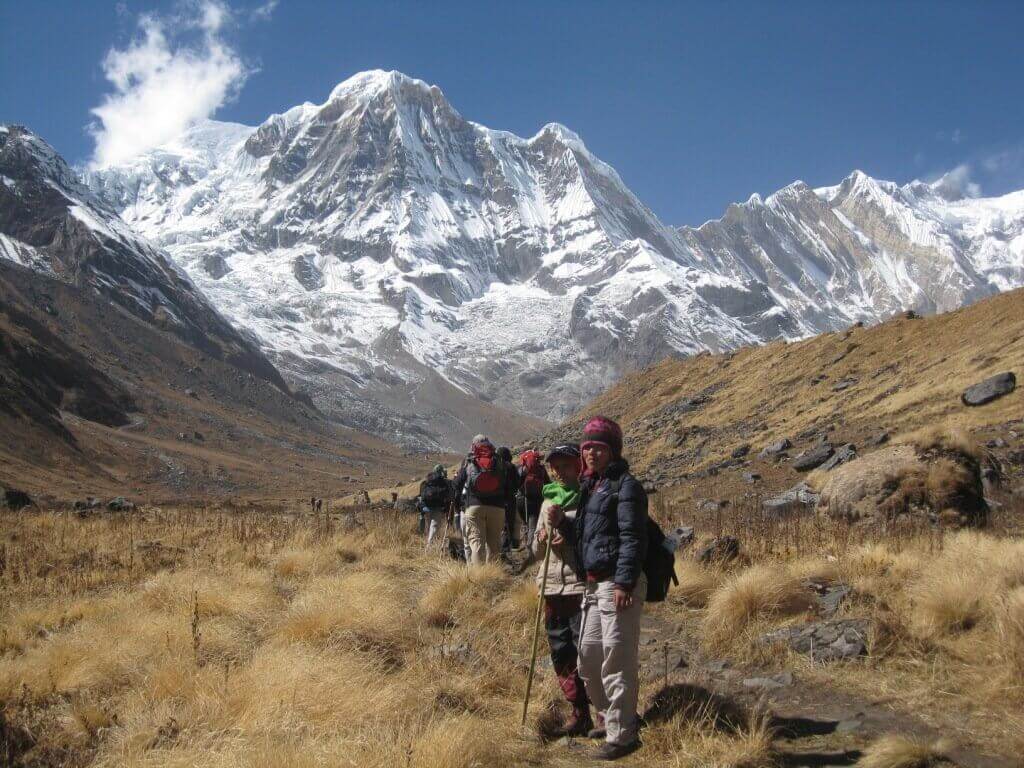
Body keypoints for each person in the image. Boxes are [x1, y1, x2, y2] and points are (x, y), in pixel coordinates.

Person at [549, 416, 648, 761]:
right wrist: (564, 522)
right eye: (587, 446)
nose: (591, 452)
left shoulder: (626, 486)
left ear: (613, 450)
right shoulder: (592, 486)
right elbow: (591, 532)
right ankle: (614, 716)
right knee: (588, 661)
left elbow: (633, 538)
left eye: (599, 446)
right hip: (592, 584)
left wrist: (624, 582)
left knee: (616, 660)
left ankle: (623, 736)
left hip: (617, 583)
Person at [532, 444, 592, 736]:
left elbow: (594, 544)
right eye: (554, 467)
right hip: (553, 586)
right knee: (560, 650)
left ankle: (602, 709)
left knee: (586, 649)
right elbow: (534, 549)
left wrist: (567, 536)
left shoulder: (588, 499)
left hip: (580, 586)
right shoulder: (547, 502)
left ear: (578, 466)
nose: (558, 472)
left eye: (565, 466)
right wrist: (542, 538)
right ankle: (578, 710)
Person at [453, 435, 513, 565]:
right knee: (494, 545)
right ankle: (492, 576)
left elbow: (457, 484)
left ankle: (479, 579)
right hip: (497, 507)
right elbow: (509, 485)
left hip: (474, 506)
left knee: (476, 543)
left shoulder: (470, 460)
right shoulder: (499, 460)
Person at [519, 448, 550, 549]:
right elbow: (548, 484)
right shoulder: (541, 469)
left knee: (524, 521)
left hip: (521, 499)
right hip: (536, 499)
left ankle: (524, 542)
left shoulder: (521, 468)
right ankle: (530, 546)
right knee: (533, 522)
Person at [417, 464, 452, 549]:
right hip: (438, 507)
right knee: (434, 526)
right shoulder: (444, 481)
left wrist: (421, 508)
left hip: (426, 507)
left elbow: (421, 495)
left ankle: (428, 544)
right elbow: (448, 496)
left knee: (429, 526)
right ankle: (429, 547)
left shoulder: (427, 480)